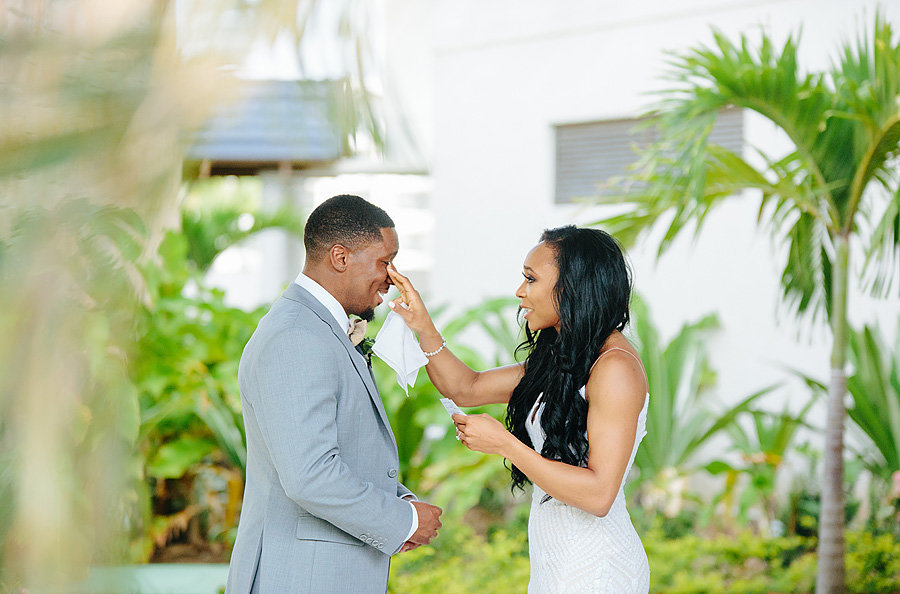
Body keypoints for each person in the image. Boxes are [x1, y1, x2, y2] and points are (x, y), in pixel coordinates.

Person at [387, 225, 650, 593]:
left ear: (572, 287)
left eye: (531, 279)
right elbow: (467, 387)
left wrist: (506, 445)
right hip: (556, 562)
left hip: (596, 568)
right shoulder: (564, 358)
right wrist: (422, 325)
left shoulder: (615, 369)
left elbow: (599, 494)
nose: (519, 292)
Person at [226, 195, 443, 594]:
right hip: (300, 578)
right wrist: (404, 521)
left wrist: (403, 503)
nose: (393, 276)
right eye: (385, 261)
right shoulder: (296, 335)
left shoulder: (318, 328)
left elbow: (347, 451)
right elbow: (310, 475)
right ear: (340, 257)